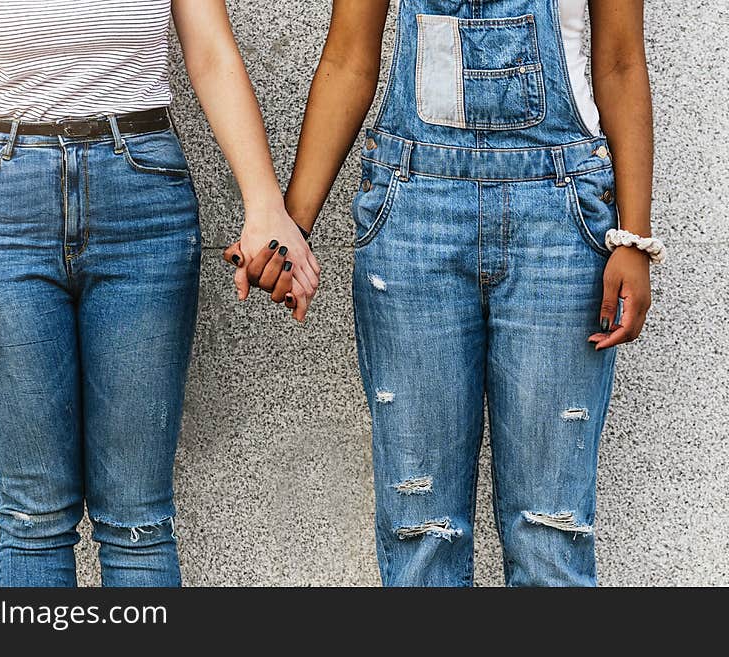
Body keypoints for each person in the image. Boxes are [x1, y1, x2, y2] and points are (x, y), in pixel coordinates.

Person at [227, 0, 664, 586]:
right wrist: (292, 230)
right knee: (421, 539)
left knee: (551, 538)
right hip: (413, 220)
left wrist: (633, 238)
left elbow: (619, 63)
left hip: (559, 225)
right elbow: (350, 58)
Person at [0, 0, 318, 587]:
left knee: (137, 518)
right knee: (34, 518)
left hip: (142, 202)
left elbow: (210, 53)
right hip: (3, 212)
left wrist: (265, 204)